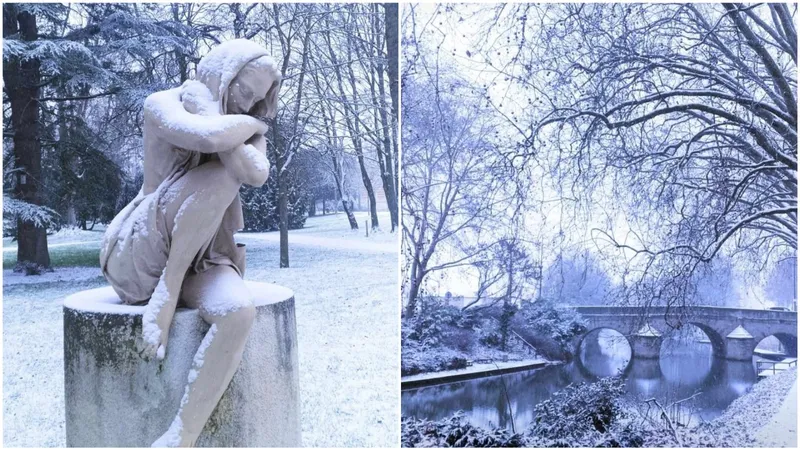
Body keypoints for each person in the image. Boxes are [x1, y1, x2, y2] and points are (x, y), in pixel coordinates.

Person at [99, 39, 281, 447]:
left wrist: (244, 124)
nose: (246, 104)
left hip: (207, 254)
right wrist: (248, 126)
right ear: (223, 72)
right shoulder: (163, 103)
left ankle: (181, 436)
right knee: (220, 175)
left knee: (238, 312)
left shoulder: (242, 126)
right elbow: (206, 136)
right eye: (242, 89)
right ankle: (167, 293)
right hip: (142, 250)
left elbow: (255, 173)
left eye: (256, 100)